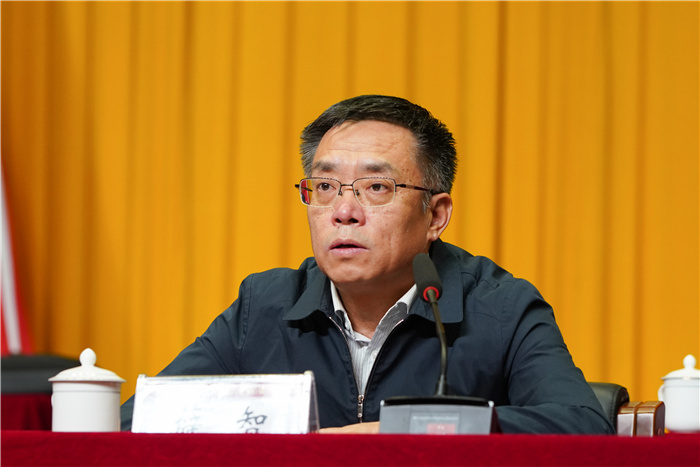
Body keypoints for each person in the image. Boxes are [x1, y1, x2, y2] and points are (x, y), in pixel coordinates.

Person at [120, 95, 613, 434]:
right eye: (325, 186)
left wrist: (401, 432)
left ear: (435, 216)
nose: (343, 211)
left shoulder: (501, 307)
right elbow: (136, 421)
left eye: (376, 187)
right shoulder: (265, 306)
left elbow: (583, 425)